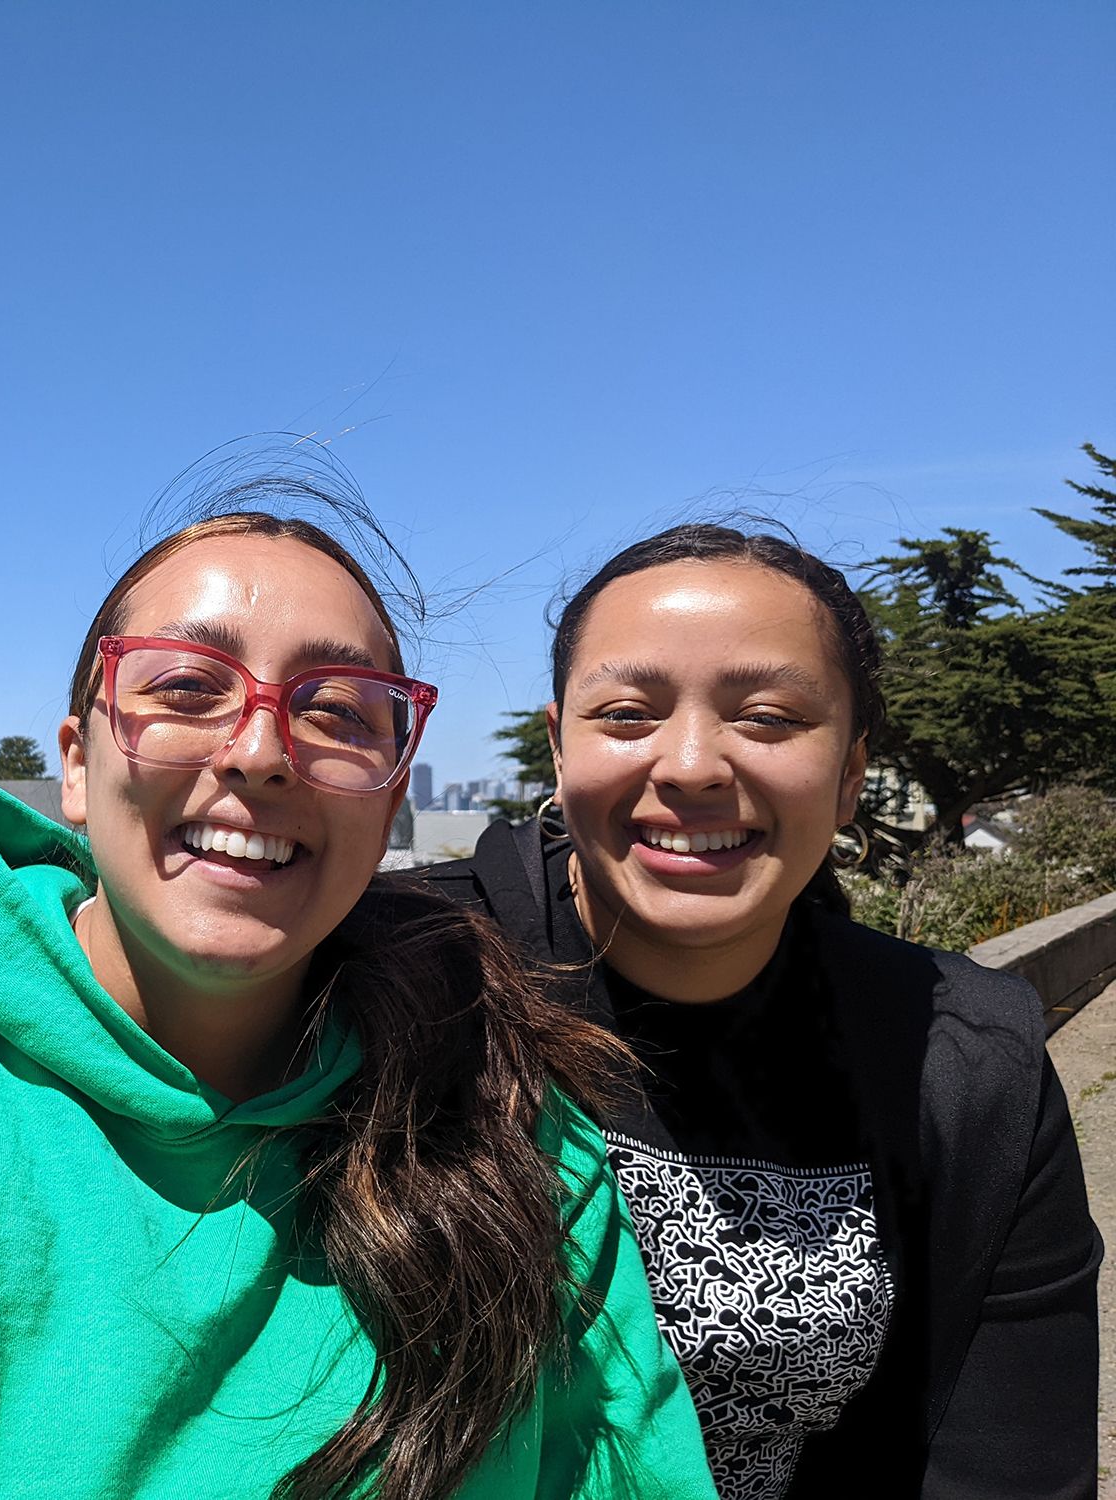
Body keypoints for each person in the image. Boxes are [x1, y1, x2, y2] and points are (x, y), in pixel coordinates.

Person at [0, 507, 718, 1499]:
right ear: (76, 768)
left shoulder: (495, 1084)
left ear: (388, 801)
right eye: (186, 687)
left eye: (338, 712)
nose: (264, 751)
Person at [421, 524, 1101, 1499]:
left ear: (849, 774)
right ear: (556, 747)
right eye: (625, 713)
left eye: (769, 716)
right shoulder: (399, 976)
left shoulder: (965, 1057)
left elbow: (1011, 1464)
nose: (691, 764)